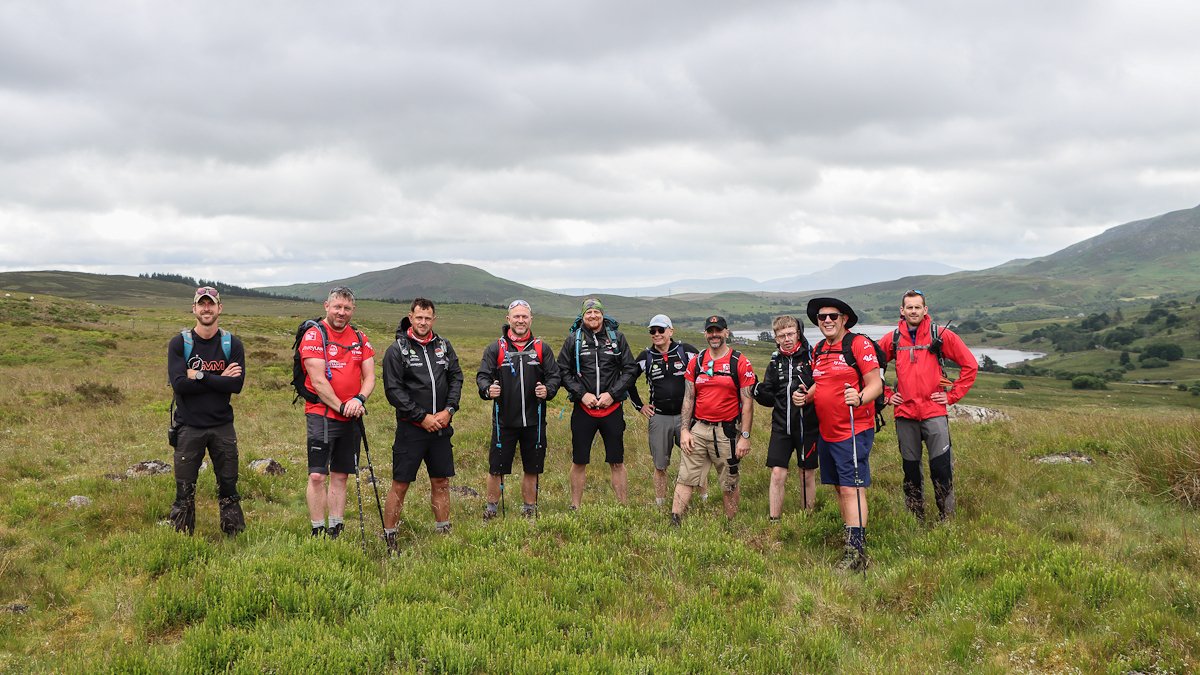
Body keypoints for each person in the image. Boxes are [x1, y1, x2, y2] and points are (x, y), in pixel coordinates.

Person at [878, 289, 978, 521]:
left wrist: (952, 396)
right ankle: (915, 519)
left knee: (941, 469)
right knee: (910, 471)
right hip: (905, 413)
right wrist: (886, 393)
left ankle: (947, 518)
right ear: (902, 311)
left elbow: (970, 365)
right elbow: (871, 366)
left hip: (934, 412)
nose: (913, 311)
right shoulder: (892, 339)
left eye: (917, 307)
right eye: (909, 307)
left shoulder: (941, 335)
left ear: (925, 310)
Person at [807, 297, 883, 572]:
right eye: (821, 317)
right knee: (841, 487)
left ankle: (857, 554)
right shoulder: (818, 349)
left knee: (852, 488)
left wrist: (860, 397)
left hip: (853, 430)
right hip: (826, 432)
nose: (826, 320)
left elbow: (876, 383)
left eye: (832, 316)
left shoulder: (858, 344)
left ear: (844, 319)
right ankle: (851, 535)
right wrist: (806, 396)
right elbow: (821, 382)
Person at [382, 298, 463, 549]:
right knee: (401, 483)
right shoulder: (397, 350)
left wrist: (449, 410)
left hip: (441, 427)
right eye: (419, 317)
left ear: (434, 319)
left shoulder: (443, 346)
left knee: (441, 481)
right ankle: (389, 535)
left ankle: (443, 532)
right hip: (411, 430)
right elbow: (394, 391)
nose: (423, 322)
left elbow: (456, 378)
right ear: (411, 316)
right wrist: (421, 417)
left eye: (428, 318)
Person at [166, 286, 246, 536]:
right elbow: (179, 384)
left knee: (229, 485)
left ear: (219, 308)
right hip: (188, 426)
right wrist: (218, 378)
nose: (206, 308)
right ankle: (181, 537)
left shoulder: (232, 343)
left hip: (222, 425)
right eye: (202, 304)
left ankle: (234, 536)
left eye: (211, 304)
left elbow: (236, 385)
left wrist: (199, 375)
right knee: (184, 489)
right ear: (194, 309)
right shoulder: (180, 343)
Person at [299, 286, 375, 538]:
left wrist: (359, 399)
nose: (341, 312)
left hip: (351, 415)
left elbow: (370, 376)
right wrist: (342, 406)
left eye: (347, 308)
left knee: (341, 474)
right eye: (337, 307)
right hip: (321, 414)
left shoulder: (360, 338)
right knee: (318, 475)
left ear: (353, 310)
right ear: (326, 306)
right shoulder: (314, 335)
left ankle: (336, 527)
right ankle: (317, 528)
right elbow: (319, 382)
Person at [477, 299, 561, 519]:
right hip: (504, 421)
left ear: (531, 319)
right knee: (497, 468)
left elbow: (554, 376)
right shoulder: (496, 348)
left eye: (525, 316)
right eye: (517, 316)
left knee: (532, 467)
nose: (521, 320)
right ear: (508, 319)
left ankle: (529, 510)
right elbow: (483, 376)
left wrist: (549, 390)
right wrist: (488, 389)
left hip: (534, 420)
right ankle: (492, 510)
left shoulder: (541, 348)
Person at [671, 315, 756, 523]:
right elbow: (689, 397)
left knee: (729, 481)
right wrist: (684, 430)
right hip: (698, 429)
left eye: (718, 331)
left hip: (726, 432)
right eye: (710, 331)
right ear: (705, 334)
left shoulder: (739, 361)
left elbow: (747, 402)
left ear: (726, 332)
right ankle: (675, 520)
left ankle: (731, 525)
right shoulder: (697, 361)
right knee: (686, 476)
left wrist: (744, 436)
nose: (714, 335)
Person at [557, 298, 639, 509]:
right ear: (582, 316)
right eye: (588, 313)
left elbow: (630, 369)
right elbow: (562, 371)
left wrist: (612, 394)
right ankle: (575, 506)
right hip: (583, 409)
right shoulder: (573, 340)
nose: (592, 316)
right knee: (579, 460)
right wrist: (581, 394)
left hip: (612, 409)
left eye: (596, 312)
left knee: (617, 461)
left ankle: (623, 506)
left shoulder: (617, 338)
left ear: (603, 314)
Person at [627, 314, 703, 507]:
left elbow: (706, 375)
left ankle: (704, 499)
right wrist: (640, 406)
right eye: (653, 331)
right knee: (660, 465)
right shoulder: (646, 356)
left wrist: (701, 407)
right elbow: (628, 382)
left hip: (687, 418)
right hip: (659, 417)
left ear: (671, 331)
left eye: (661, 330)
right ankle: (660, 503)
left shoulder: (686, 351)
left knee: (695, 459)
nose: (657, 334)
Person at [753, 315, 819, 521]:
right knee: (777, 474)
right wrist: (757, 391)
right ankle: (774, 520)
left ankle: (807, 518)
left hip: (807, 427)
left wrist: (807, 395)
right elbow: (770, 397)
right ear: (776, 338)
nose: (787, 339)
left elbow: (823, 386)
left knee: (805, 474)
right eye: (781, 335)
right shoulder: (774, 363)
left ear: (798, 333)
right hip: (781, 427)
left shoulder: (811, 357)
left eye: (790, 333)